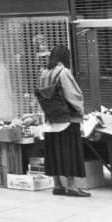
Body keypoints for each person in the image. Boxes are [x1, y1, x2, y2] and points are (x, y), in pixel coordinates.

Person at [38, 44, 89, 197]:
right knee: (69, 152)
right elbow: (73, 95)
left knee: (54, 152)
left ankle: (57, 186)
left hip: (51, 119)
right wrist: (81, 111)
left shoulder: (45, 73)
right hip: (67, 119)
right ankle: (72, 187)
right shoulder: (64, 72)